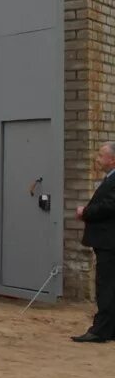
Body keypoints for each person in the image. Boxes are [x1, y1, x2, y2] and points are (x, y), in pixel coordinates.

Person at [73, 140, 115, 343]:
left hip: (109, 242)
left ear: (112, 160)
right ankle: (110, 329)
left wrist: (85, 212)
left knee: (105, 286)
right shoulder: (109, 178)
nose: (97, 159)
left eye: (100, 155)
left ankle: (99, 331)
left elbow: (109, 206)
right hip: (107, 241)